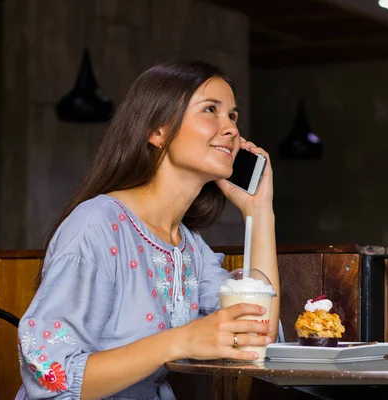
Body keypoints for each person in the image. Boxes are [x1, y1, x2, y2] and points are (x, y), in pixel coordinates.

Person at [15, 60, 280, 400]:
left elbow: (258, 333)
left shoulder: (190, 247)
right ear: (157, 131)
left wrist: (260, 211)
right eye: (210, 109)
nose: (230, 129)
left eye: (232, 116)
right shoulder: (97, 224)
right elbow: (49, 376)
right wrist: (181, 340)